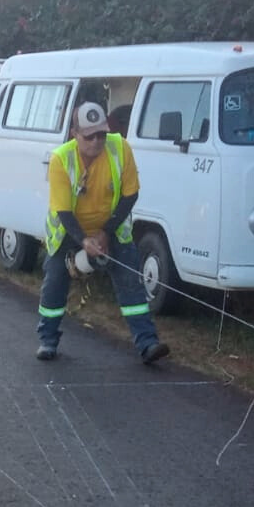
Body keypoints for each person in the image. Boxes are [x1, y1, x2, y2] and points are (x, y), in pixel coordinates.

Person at [37, 101, 170, 364]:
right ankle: (47, 340)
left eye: (102, 134)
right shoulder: (61, 159)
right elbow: (63, 212)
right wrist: (84, 240)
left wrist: (105, 233)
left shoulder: (120, 147)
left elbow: (131, 194)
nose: (98, 141)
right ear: (75, 134)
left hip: (111, 228)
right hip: (68, 232)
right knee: (55, 282)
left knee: (131, 281)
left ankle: (147, 344)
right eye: (90, 136)